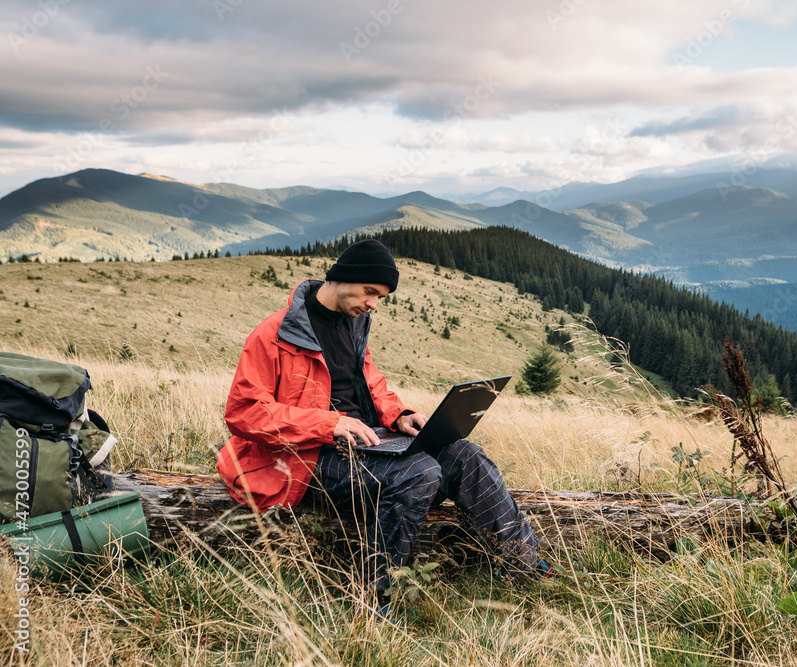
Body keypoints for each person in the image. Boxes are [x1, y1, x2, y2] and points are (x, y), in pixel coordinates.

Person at [217, 239, 552, 616]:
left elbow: (370, 383)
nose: (374, 304)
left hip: (367, 445)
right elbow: (243, 412)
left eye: (381, 297)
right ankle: (371, 597)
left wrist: (399, 415)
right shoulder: (275, 333)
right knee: (418, 473)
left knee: (465, 454)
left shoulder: (356, 323)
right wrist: (330, 423)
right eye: (370, 292)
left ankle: (522, 564)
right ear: (343, 278)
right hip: (309, 458)